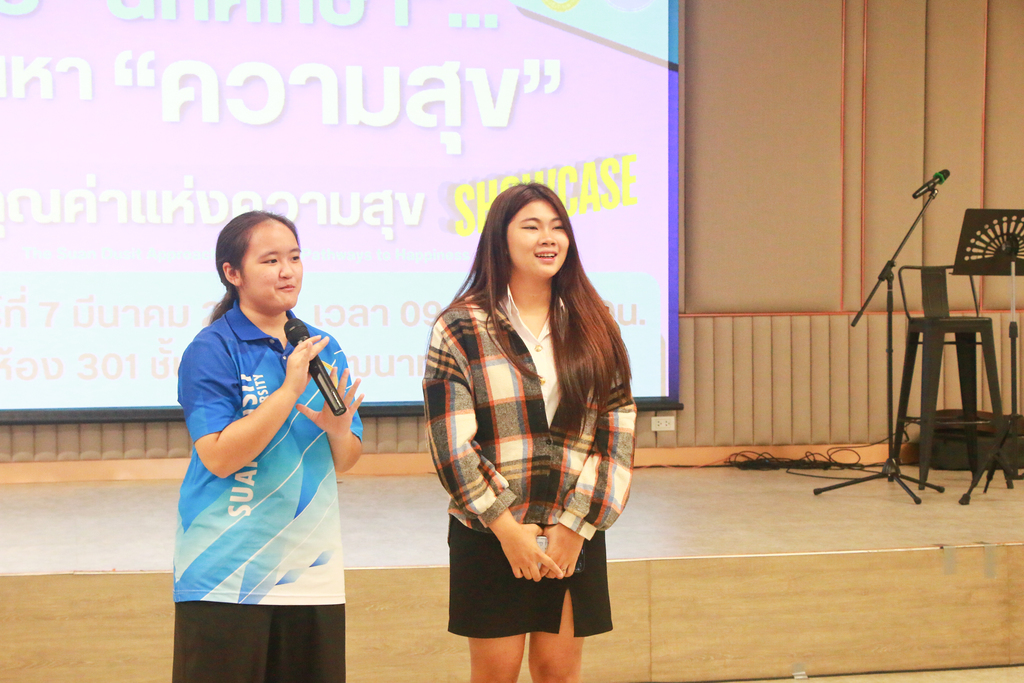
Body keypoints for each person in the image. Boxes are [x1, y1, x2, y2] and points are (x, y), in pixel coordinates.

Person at [423, 183, 636, 683]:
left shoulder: (596, 322)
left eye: (558, 227)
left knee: (557, 673)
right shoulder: (461, 327)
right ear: (500, 239)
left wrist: (575, 527)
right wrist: (508, 530)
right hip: (490, 531)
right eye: (532, 226)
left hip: (571, 530)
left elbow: (617, 433)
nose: (549, 238)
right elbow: (450, 447)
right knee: (495, 675)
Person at [172, 210, 364, 683]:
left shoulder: (322, 347)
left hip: (311, 571)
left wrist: (340, 431)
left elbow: (346, 459)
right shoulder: (212, 349)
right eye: (271, 260)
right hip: (224, 573)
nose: (287, 271)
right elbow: (218, 457)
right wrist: (288, 390)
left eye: (294, 258)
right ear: (232, 273)